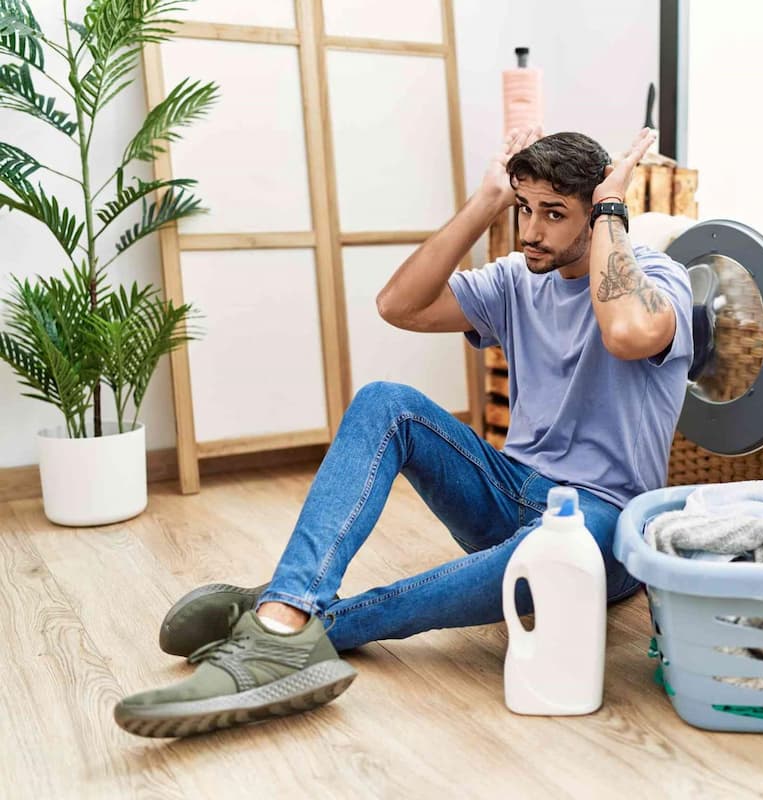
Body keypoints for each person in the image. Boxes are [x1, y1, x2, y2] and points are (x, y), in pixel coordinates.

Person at [114, 127, 693, 738]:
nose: (531, 231)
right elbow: (399, 306)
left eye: (554, 214)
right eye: (525, 209)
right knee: (385, 402)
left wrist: (609, 209)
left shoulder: (656, 279)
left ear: (598, 214)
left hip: (600, 527)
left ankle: (291, 624)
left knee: (533, 564)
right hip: (511, 488)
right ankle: (290, 610)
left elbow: (627, 333)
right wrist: (487, 200)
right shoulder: (518, 279)